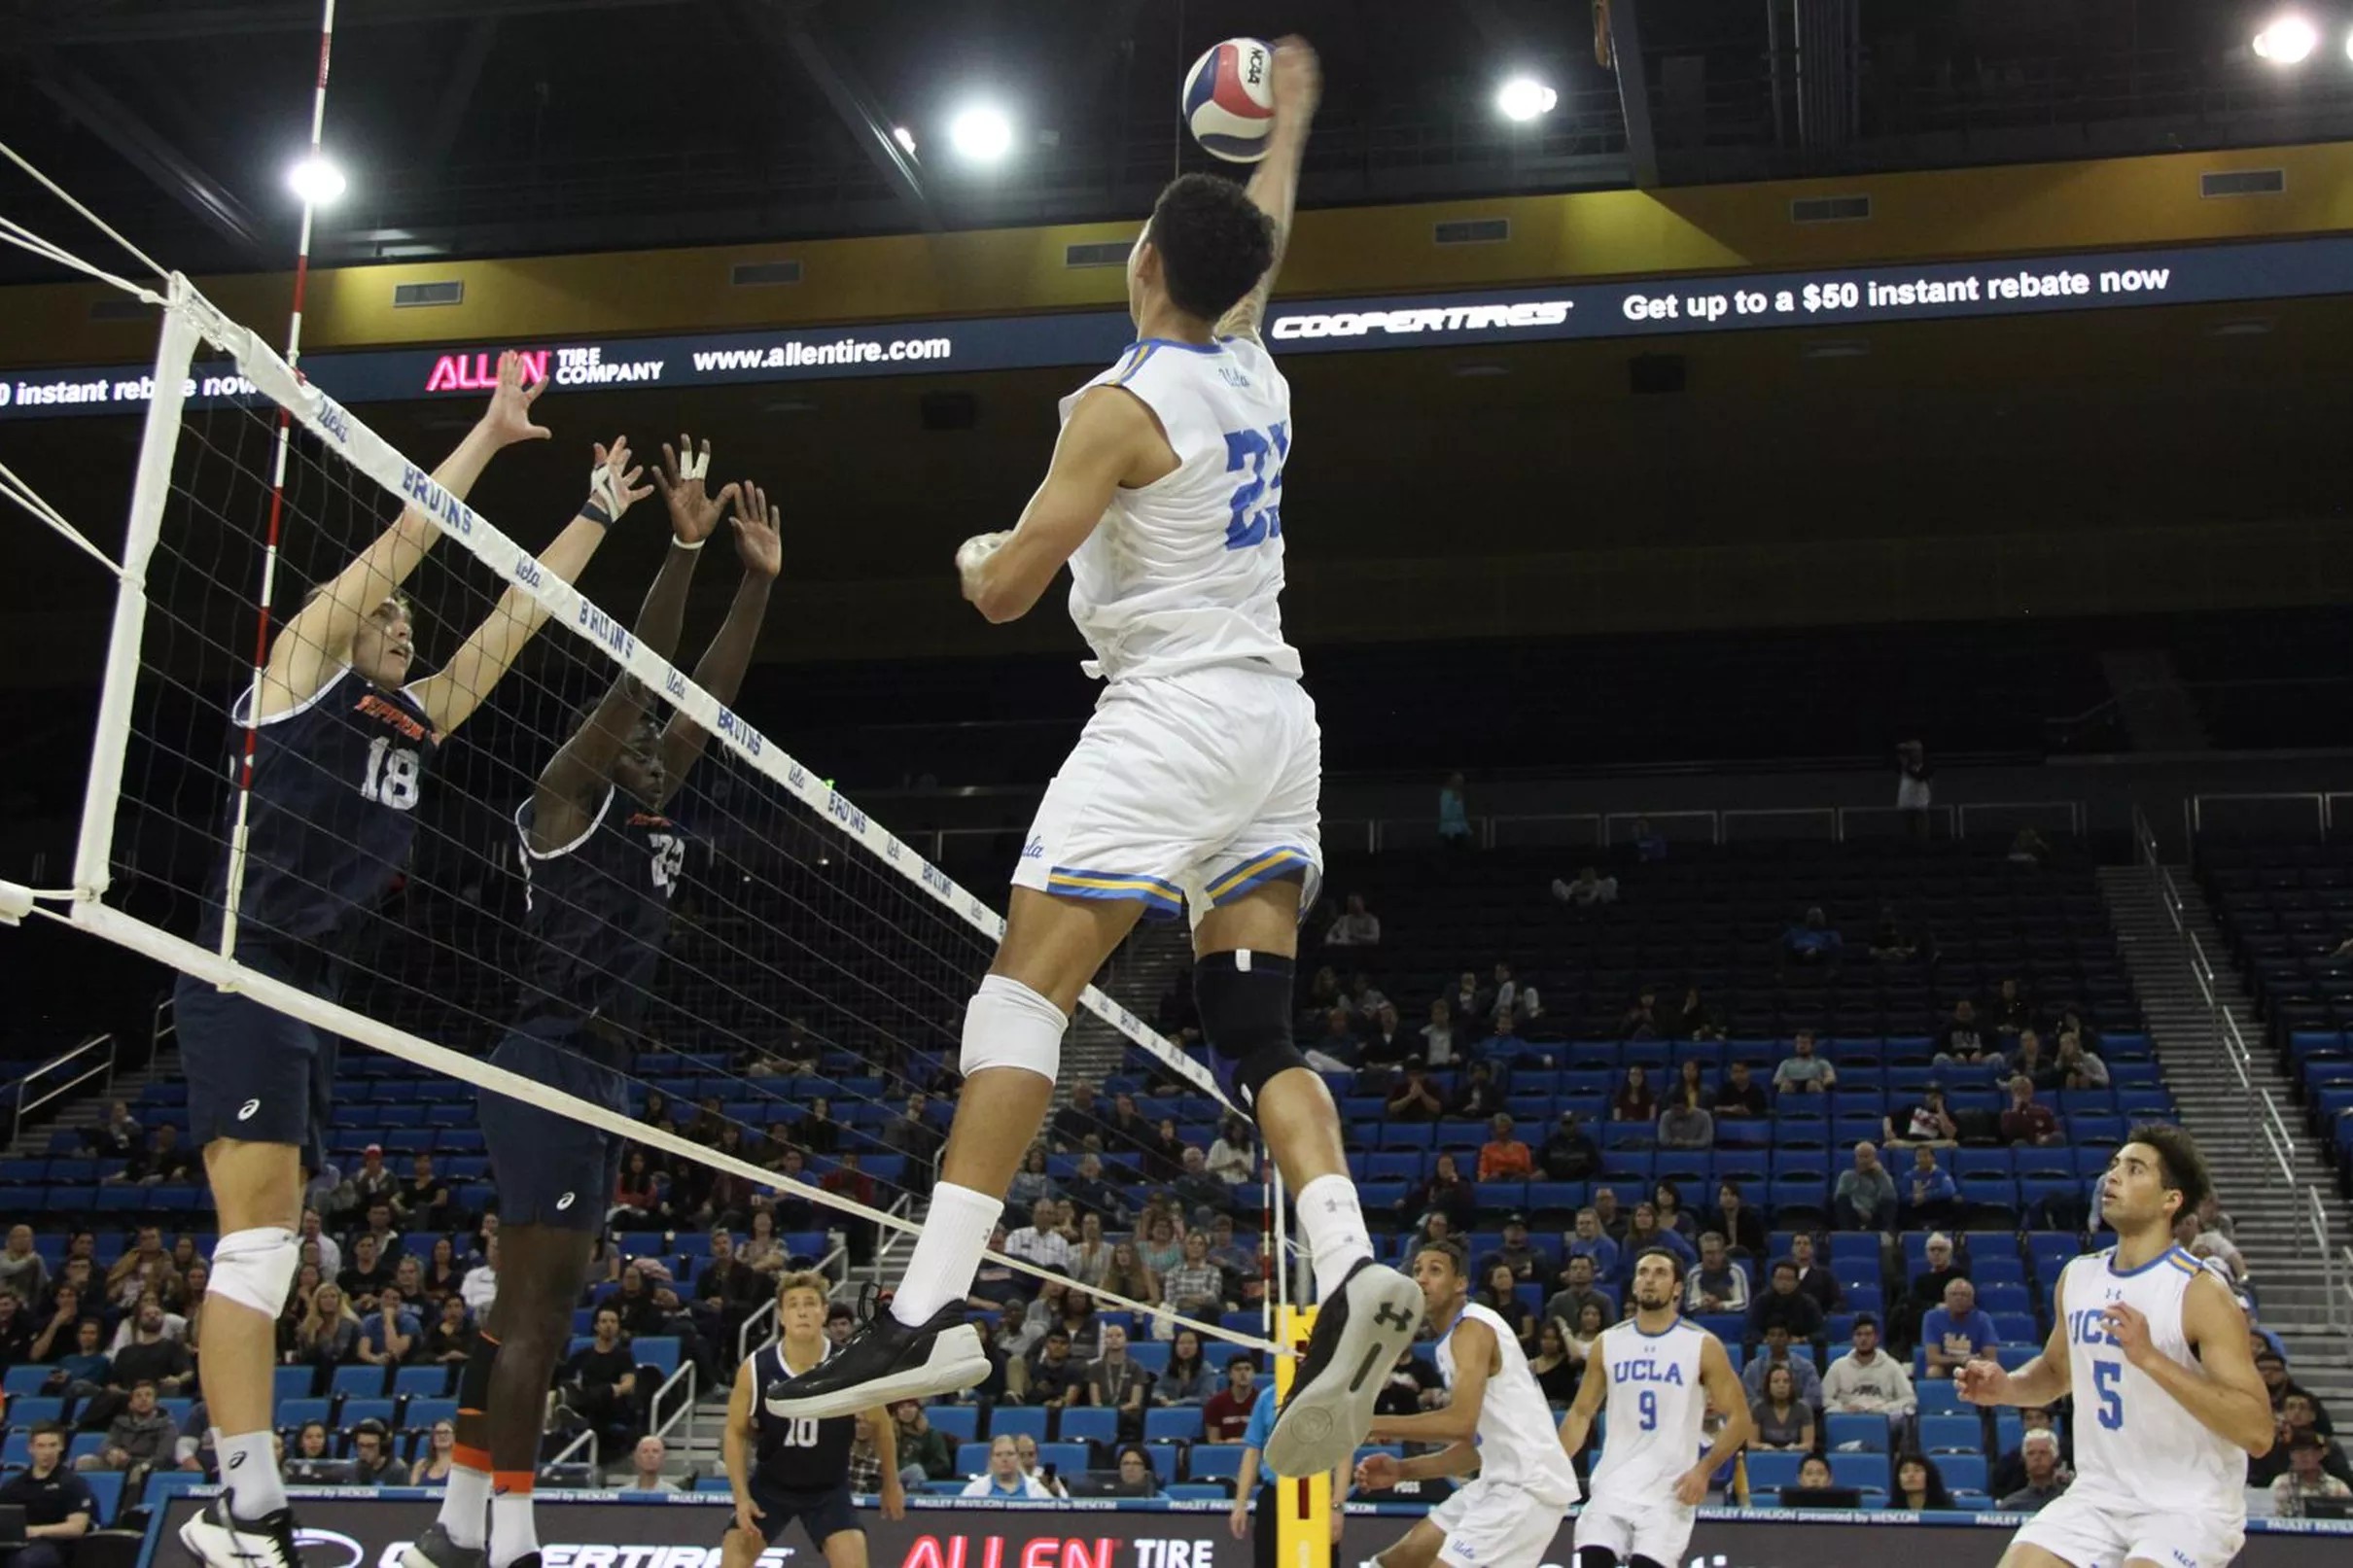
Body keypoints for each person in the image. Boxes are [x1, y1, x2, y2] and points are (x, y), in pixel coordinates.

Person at [765, 40, 1422, 1479]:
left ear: (1142, 261)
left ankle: (931, 1302)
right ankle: (1354, 1258)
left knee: (1022, 992)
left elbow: (1005, 594)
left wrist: (975, 556)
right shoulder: (1257, 368)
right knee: (1257, 1030)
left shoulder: (1116, 407)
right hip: (1275, 726)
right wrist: (1291, 124)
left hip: (1169, 717)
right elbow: (1264, 244)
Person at [172, 360, 638, 1568]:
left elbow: (513, 619)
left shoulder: (414, 716)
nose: (405, 623)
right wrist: (485, 436)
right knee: (261, 1244)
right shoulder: (292, 679)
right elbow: (399, 542)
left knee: (271, 1242)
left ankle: (247, 1502)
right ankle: (248, 1505)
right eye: (389, 618)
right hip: (244, 961)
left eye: (405, 625)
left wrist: (592, 512)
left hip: (313, 985)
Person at [408, 449, 781, 1568]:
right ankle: (512, 1539)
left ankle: (454, 1523)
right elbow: (644, 672)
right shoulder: (565, 800)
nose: (661, 752)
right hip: (547, 1059)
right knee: (539, 1314)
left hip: (597, 1071)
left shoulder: (661, 791)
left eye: (666, 748)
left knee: (522, 1310)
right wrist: (676, 551)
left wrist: (754, 578)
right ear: (605, 740)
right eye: (641, 737)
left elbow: (697, 698)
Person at [1960, 1126, 2271, 1568]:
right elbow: (2055, 1373)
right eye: (2114, 1166)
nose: (2114, 1176)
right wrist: (2006, 1388)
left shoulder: (2201, 1292)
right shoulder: (2079, 1277)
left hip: (2187, 1506)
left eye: (2135, 1169)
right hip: (2099, 1496)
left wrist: (2151, 1359)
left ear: (2171, 1201)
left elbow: (2257, 1432)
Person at [1352, 1238, 1582, 1568]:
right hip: (1495, 1479)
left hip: (1527, 1486)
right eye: (1417, 1270)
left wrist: (1365, 1422)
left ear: (1460, 1283)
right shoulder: (1448, 1342)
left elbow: (1460, 1424)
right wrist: (1402, 1470)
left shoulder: (1472, 1327)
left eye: (1435, 1270)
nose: (1421, 1279)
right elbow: (1475, 1448)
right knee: (1397, 1560)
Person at [1557, 1248, 1753, 1568]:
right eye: (1643, 1272)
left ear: (1677, 1288)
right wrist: (1554, 1465)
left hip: (1669, 1491)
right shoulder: (1608, 1342)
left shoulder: (1702, 1345)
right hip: (1613, 1484)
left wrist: (1704, 1470)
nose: (1649, 1280)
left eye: (1660, 1273)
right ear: (1634, 1284)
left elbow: (1740, 1419)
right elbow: (1581, 1414)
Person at [713, 1273, 902, 1568]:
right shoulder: (756, 1368)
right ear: (781, 1315)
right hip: (771, 1486)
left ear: (824, 1312)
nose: (802, 1311)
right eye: (793, 1305)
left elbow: (882, 1424)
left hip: (828, 1489)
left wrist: (892, 1482)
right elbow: (735, 1433)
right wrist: (741, 1498)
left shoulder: (850, 1365)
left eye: (810, 1303)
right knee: (733, 1559)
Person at [1230, 1382, 1348, 1568]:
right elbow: (1253, 1451)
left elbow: (1343, 1454)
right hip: (1274, 1496)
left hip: (1316, 1496)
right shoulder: (1268, 1396)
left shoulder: (1331, 1394)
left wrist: (1337, 1506)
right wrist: (1240, 1504)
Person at [0, 1423, 99, 1568]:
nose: (47, 1452)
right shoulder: (13, 1485)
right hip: (16, 1543)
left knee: (25, 1561)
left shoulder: (73, 1483)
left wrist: (34, 1531)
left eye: (52, 1445)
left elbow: (77, 1527)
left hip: (56, 1546)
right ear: (30, 1448)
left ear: (61, 1447)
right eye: (41, 1446)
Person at [2270, 1432, 2352, 1517]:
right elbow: (2271, 1518)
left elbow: (2349, 1518)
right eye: (2297, 1451)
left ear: (2320, 1455)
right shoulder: (2280, 1484)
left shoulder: (2337, 1486)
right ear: (2291, 1455)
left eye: (2310, 1452)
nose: (2303, 1456)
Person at [962, 1436, 1055, 1501]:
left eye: (1010, 1454)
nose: (1004, 1459)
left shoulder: (1036, 1488)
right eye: (998, 1455)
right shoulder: (975, 1489)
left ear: (1018, 1457)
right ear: (990, 1460)